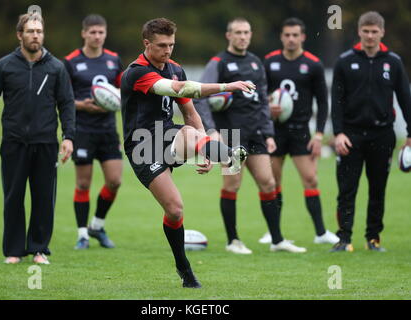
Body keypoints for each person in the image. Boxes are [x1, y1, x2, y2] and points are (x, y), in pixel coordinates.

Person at [120, 17, 254, 288]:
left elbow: (190, 112)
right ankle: (185, 270)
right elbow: (179, 89)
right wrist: (227, 86)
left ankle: (227, 154)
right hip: (142, 147)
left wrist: (203, 151)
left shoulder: (175, 68)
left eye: (171, 44)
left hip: (169, 135)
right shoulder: (136, 72)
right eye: (161, 45)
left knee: (190, 132)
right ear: (147, 43)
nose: (168, 50)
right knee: (175, 210)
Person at [194, 17, 307, 254]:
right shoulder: (218, 62)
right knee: (232, 184)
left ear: (251, 34)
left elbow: (263, 101)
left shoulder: (256, 63)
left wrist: (268, 133)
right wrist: (212, 131)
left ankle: (277, 240)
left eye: (246, 32)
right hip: (231, 135)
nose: (243, 36)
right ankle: (233, 241)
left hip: (256, 134)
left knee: (268, 182)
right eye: (238, 32)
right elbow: (200, 97)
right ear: (228, 35)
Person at [0, 12, 75, 264]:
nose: (35, 35)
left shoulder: (56, 68)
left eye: (39, 31)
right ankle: (14, 251)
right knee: (13, 197)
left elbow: (67, 105)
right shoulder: (4, 66)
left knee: (43, 198)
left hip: (45, 143)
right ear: (20, 35)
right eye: (30, 31)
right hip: (14, 142)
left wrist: (68, 137)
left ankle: (39, 249)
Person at [331, 11, 411, 252]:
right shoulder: (345, 61)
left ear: (382, 33)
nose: (370, 35)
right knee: (347, 190)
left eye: (374, 31)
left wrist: (410, 133)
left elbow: (405, 99)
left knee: (378, 189)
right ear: (359, 32)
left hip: (382, 135)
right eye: (366, 31)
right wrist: (338, 133)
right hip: (351, 136)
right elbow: (336, 101)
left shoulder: (393, 62)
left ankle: (373, 239)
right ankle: (344, 239)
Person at [260, 17, 339, 245]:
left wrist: (318, 135)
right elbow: (258, 97)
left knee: (311, 179)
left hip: (302, 133)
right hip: (274, 132)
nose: (291, 39)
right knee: (273, 182)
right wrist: (268, 106)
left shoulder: (313, 64)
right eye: (287, 35)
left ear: (303, 37)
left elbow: (323, 104)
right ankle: (272, 232)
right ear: (282, 37)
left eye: (296, 35)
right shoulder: (270, 62)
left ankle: (321, 233)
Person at [64, 14, 124, 250]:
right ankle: (82, 235)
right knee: (83, 184)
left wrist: (116, 101)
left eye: (101, 32)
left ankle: (97, 226)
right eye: (93, 32)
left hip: (108, 130)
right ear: (84, 34)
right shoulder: (70, 62)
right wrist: (82, 105)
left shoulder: (113, 60)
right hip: (83, 131)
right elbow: (62, 97)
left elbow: (123, 92)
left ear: (105, 34)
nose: (97, 36)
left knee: (115, 181)